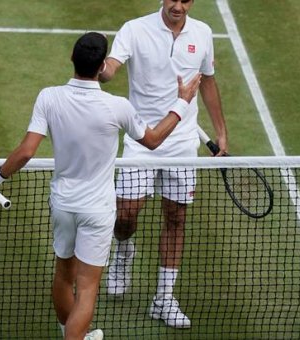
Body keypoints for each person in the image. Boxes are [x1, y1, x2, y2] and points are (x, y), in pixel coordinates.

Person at [0, 32, 201, 340]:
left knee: (63, 277)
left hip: (63, 205)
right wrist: (182, 102)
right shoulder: (118, 107)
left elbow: (26, 151)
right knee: (88, 287)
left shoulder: (48, 97)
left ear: (71, 58)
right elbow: (155, 139)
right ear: (102, 67)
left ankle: (75, 335)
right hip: (97, 210)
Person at [99, 0, 228, 330]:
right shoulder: (134, 29)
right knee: (126, 213)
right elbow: (112, 66)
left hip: (183, 142)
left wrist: (221, 133)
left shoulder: (202, 33)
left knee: (176, 217)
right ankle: (124, 251)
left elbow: (208, 82)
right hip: (141, 139)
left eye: (185, 0)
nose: (178, 5)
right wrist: (102, 71)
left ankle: (164, 298)